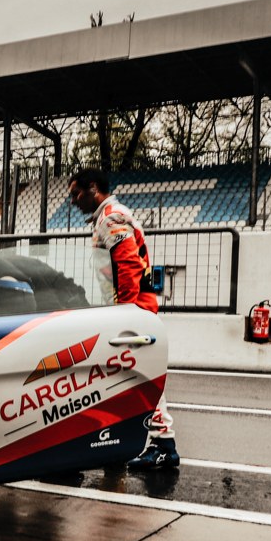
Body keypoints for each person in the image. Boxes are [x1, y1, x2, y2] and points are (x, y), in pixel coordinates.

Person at [67, 167, 180, 471]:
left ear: (93, 188)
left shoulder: (111, 217)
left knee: (142, 377)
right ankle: (117, 443)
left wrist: (125, 314)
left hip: (131, 313)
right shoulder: (106, 217)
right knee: (119, 378)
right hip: (126, 312)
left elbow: (128, 266)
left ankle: (164, 446)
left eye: (76, 194)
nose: (73, 201)